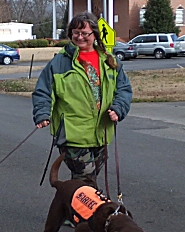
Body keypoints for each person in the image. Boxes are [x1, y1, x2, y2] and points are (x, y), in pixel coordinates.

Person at [32, 11, 133, 186]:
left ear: (94, 34)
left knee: (85, 182)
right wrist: (42, 114)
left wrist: (118, 109)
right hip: (72, 135)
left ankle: (69, 209)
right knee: (86, 181)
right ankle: (77, 213)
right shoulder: (60, 62)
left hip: (101, 133)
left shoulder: (110, 61)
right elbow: (43, 91)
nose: (79, 37)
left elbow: (124, 89)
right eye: (75, 33)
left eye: (84, 33)